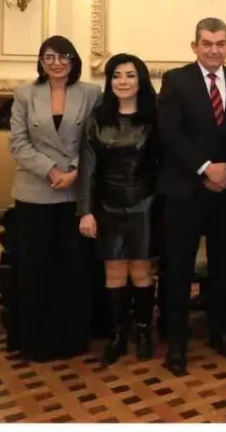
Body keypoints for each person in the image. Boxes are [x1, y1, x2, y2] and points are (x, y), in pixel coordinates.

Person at [158, 18, 226, 376]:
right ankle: (177, 344)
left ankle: (219, 332)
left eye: (220, 43)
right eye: (207, 43)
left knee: (223, 268)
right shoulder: (176, 81)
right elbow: (168, 133)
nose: (214, 49)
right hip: (185, 190)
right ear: (195, 46)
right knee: (178, 269)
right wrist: (205, 168)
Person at [9, 36, 102, 362]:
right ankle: (36, 341)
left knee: (73, 269)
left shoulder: (91, 93)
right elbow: (18, 144)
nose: (57, 62)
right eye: (49, 56)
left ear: (73, 60)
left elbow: (96, 140)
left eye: (63, 56)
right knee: (36, 269)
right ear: (41, 60)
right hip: (34, 192)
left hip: (76, 194)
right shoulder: (25, 93)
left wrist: (75, 171)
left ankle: (71, 339)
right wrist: (51, 171)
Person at [77, 53, 160, 367]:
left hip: (145, 204)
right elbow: (87, 170)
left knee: (141, 272)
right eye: (116, 76)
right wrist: (86, 211)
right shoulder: (97, 119)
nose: (123, 82)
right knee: (113, 273)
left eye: (129, 75)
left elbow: (162, 166)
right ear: (109, 81)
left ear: (140, 80)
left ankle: (142, 333)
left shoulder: (154, 118)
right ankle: (117, 335)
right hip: (108, 205)